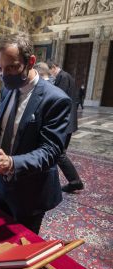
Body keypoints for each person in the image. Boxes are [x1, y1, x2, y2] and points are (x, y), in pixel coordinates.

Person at [0, 33, 71, 234]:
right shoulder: (9, 89)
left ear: (30, 62)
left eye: (12, 67)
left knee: (20, 251)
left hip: (30, 192)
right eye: (0, 69)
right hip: (0, 184)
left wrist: (12, 164)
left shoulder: (56, 100)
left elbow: (51, 151)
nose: (4, 75)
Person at [48, 60, 84, 193]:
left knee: (59, 153)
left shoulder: (62, 77)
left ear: (53, 68)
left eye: (50, 71)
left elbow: (58, 98)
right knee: (57, 153)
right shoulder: (67, 76)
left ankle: (75, 181)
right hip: (68, 121)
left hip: (64, 122)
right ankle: (52, 180)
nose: (51, 75)